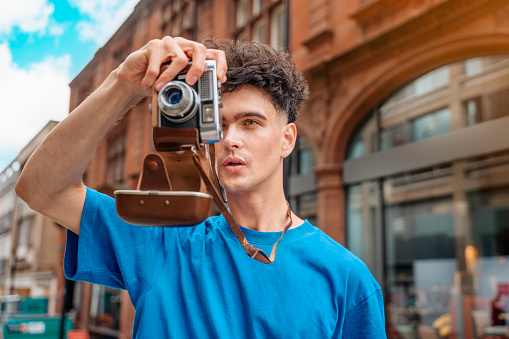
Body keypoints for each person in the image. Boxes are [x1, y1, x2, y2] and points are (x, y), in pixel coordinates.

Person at [15, 36, 386, 338]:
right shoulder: (165, 244)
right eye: (219, 125)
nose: (231, 140)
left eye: (251, 123)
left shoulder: (347, 279)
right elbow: (42, 189)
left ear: (287, 139)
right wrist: (124, 83)